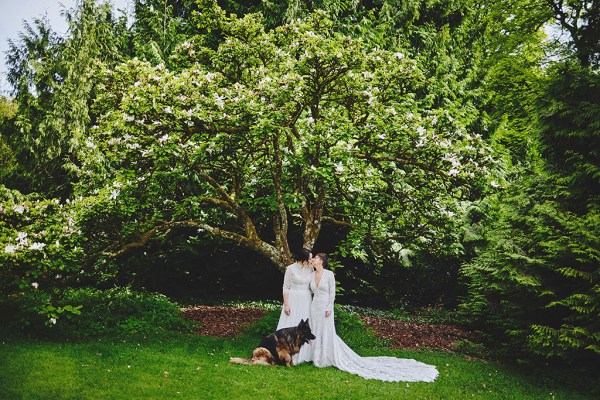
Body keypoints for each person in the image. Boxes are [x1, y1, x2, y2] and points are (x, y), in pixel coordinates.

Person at [309, 253, 439, 382]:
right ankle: (315, 355)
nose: (313, 259)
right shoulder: (311, 274)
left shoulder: (329, 275)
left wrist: (328, 307)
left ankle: (325, 357)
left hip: (326, 307)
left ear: (321, 261)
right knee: (315, 329)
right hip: (315, 306)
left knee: (326, 331)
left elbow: (332, 293)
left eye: (315, 258)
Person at [276, 248, 313, 364]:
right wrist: (286, 304)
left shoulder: (311, 268)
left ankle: (305, 354)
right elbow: (285, 286)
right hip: (293, 298)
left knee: (305, 325)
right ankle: (284, 352)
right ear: (303, 259)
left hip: (306, 299)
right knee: (290, 322)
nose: (311, 260)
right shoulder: (291, 268)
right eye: (309, 258)